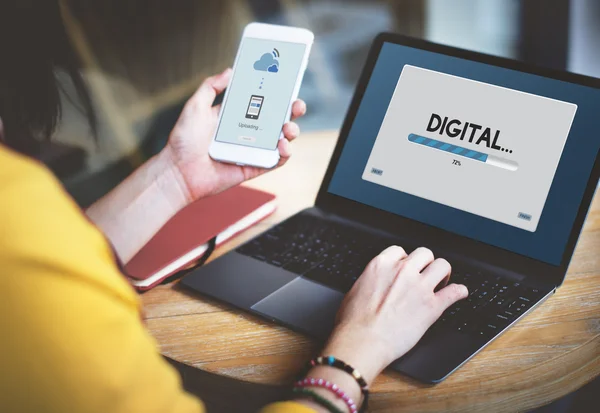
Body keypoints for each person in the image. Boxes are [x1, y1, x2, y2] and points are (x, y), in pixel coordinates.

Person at [0, 2, 468, 412]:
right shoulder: (17, 217)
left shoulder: (21, 207)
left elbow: (53, 254)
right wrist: (360, 348)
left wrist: (175, 176)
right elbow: (33, 267)